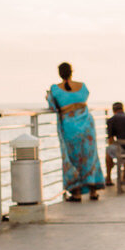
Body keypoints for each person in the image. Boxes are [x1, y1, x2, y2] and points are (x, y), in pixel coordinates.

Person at [46, 64, 106, 201]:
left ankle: (77, 193)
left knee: (72, 157)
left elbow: (52, 106)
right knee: (90, 157)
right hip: (87, 125)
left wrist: (47, 96)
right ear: (72, 72)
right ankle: (93, 192)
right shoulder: (82, 86)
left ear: (60, 74)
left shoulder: (55, 89)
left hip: (69, 126)